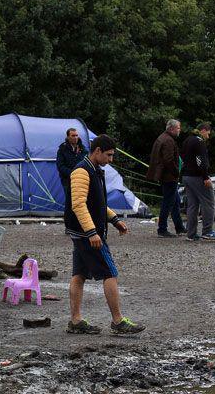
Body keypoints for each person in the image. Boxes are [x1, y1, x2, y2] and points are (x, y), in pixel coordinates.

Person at [64, 134, 144, 335]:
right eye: (108, 155)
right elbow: (79, 204)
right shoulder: (82, 172)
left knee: (79, 274)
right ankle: (118, 322)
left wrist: (115, 220)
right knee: (109, 273)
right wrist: (92, 232)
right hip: (87, 234)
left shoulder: (94, 170)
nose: (111, 160)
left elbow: (97, 203)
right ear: (97, 151)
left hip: (81, 232)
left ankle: (75, 321)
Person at [181, 122, 215, 241]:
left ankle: (191, 234)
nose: (208, 137)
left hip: (186, 176)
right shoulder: (199, 142)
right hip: (197, 176)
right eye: (208, 134)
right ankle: (207, 231)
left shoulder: (187, 140)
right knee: (209, 202)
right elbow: (201, 162)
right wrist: (205, 177)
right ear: (203, 130)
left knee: (193, 205)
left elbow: (182, 157)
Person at [147, 119, 185, 238]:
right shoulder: (168, 140)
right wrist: (176, 172)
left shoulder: (162, 138)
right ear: (172, 129)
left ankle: (179, 227)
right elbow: (168, 160)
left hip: (165, 176)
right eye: (178, 128)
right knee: (168, 202)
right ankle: (162, 229)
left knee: (175, 201)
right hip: (169, 177)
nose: (180, 130)